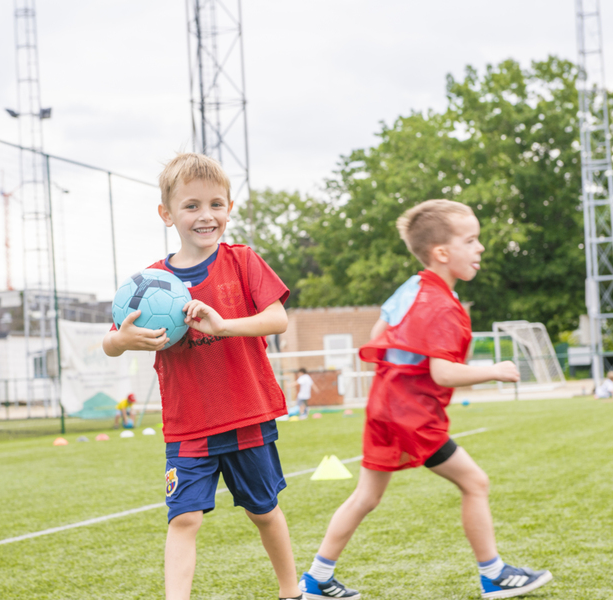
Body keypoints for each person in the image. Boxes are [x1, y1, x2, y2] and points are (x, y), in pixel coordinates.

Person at [299, 199, 552, 600]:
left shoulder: (413, 287)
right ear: (442, 253)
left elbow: (377, 334)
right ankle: (494, 574)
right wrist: (495, 370)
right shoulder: (441, 305)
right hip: (411, 415)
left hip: (384, 407)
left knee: (366, 496)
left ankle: (316, 579)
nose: (480, 247)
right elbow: (443, 373)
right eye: (470, 240)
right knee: (475, 482)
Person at [102, 153, 300, 600]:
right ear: (167, 213)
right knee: (184, 518)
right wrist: (123, 340)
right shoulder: (150, 282)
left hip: (246, 413)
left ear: (229, 208)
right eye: (191, 206)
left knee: (264, 511)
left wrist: (224, 325)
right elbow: (110, 341)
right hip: (189, 424)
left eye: (216, 204)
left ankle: (292, 593)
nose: (206, 216)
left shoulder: (243, 261)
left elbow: (277, 319)